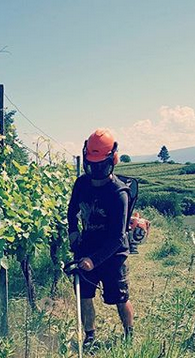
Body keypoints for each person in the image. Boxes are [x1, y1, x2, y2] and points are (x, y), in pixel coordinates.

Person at [67, 128, 134, 346]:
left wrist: (93, 260)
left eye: (101, 165)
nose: (95, 171)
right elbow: (71, 211)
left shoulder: (119, 193)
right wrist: (73, 232)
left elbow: (117, 237)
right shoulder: (82, 184)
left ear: (112, 160)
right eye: (92, 165)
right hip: (87, 246)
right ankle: (90, 336)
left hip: (112, 253)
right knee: (85, 294)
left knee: (119, 296)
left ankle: (129, 334)